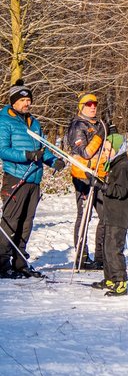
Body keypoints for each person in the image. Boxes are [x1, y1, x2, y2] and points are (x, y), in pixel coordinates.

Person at [0, 80, 64, 279]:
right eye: (23, 100)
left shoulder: (33, 123)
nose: (27, 103)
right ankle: (2, 263)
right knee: (11, 221)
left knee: (27, 222)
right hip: (16, 177)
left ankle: (20, 263)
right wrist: (27, 155)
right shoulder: (4, 121)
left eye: (29, 100)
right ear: (14, 102)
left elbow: (41, 150)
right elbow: (3, 150)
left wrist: (53, 161)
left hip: (34, 180)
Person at [89, 134, 128, 296]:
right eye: (105, 149)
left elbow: (120, 191)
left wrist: (101, 185)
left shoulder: (123, 167)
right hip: (110, 214)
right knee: (106, 247)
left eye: (109, 149)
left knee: (114, 249)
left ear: (118, 149)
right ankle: (110, 278)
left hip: (119, 215)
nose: (106, 152)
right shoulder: (114, 165)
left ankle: (120, 281)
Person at [67, 91, 109, 270]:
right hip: (83, 177)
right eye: (88, 105)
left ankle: (101, 255)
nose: (92, 107)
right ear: (81, 107)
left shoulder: (99, 124)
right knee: (84, 216)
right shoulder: (78, 126)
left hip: (100, 175)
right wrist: (100, 135)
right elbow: (85, 152)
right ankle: (81, 256)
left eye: (95, 105)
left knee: (106, 215)